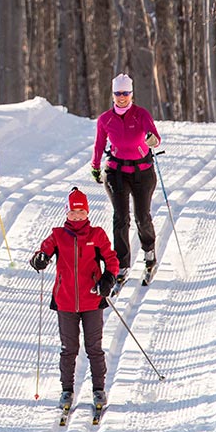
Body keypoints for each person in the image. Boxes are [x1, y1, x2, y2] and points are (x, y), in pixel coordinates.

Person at [30, 187, 119, 415]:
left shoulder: (96, 235)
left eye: (81, 212)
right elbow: (43, 252)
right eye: (73, 212)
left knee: (94, 348)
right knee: (68, 349)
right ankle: (66, 390)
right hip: (66, 301)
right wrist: (39, 259)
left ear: (87, 213)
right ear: (67, 214)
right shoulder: (58, 236)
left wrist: (108, 279)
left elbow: (111, 260)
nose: (77, 216)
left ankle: (99, 389)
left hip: (92, 299)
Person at [90, 73, 162, 286]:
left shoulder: (141, 115)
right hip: (116, 172)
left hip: (142, 172)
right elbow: (98, 144)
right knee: (120, 218)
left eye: (126, 93)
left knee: (142, 216)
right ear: (112, 95)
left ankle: (149, 255)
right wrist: (95, 166)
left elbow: (155, 138)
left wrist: (152, 140)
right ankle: (122, 265)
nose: (122, 97)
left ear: (131, 94)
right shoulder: (106, 119)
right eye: (118, 93)